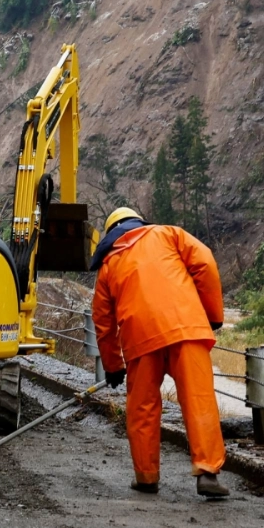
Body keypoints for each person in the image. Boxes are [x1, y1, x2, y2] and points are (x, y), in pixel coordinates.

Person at [90, 207, 229, 498]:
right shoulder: (169, 234)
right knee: (199, 400)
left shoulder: (107, 267)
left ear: (112, 234)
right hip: (187, 329)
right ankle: (207, 473)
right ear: (138, 222)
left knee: (142, 409)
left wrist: (113, 365)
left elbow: (103, 323)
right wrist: (212, 314)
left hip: (140, 341)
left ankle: (146, 477)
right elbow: (205, 263)